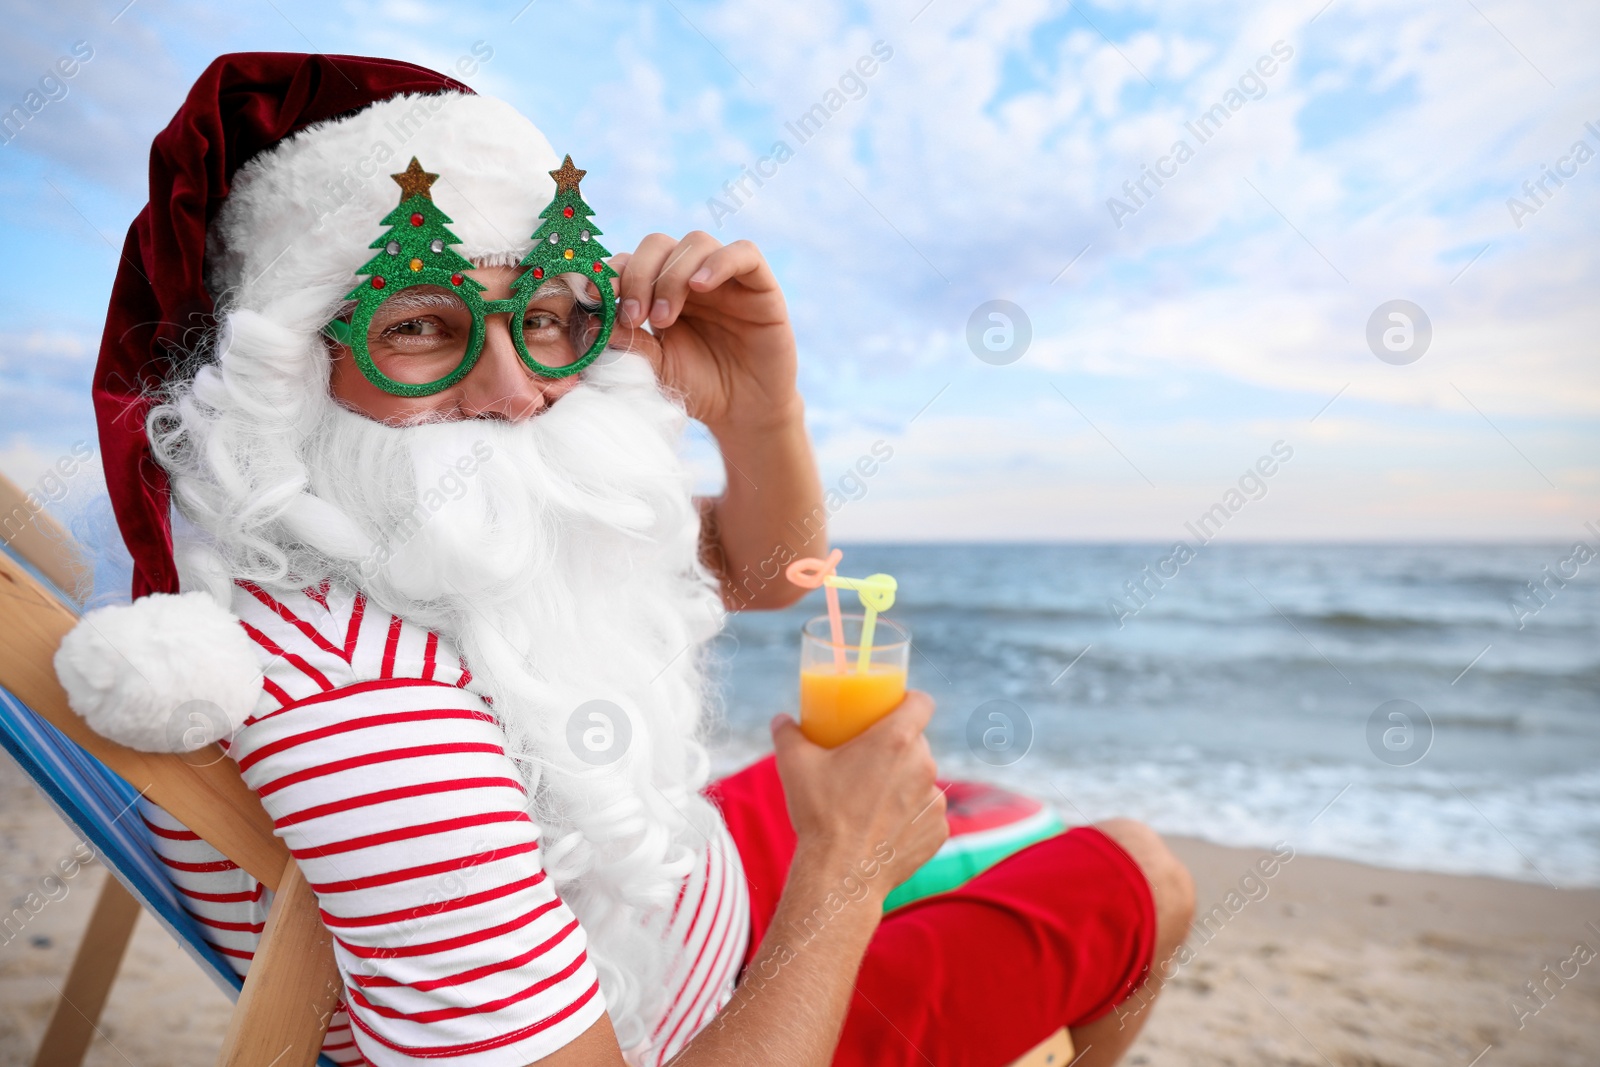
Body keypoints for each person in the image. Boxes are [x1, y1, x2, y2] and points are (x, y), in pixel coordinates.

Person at [53, 53, 1194, 1067]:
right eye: (418, 325)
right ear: (289, 363)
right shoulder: (376, 720)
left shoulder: (358, 549)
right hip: (703, 1017)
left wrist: (759, 409)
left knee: (969, 806)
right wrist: (845, 870)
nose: (515, 394)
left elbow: (763, 575)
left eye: (543, 314)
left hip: (655, 891)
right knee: (1144, 870)